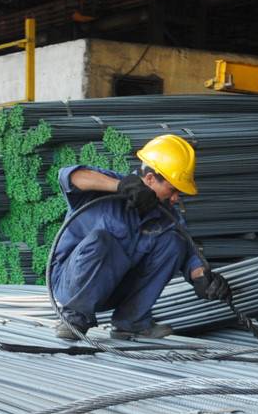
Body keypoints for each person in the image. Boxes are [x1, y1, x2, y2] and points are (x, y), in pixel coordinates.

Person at [50, 133, 231, 340]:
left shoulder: (166, 216)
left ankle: (131, 321)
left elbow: (190, 256)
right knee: (102, 240)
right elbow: (68, 177)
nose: (175, 198)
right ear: (151, 178)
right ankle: (74, 317)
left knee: (174, 242)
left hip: (114, 289)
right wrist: (120, 186)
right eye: (172, 190)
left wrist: (204, 280)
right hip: (70, 284)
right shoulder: (105, 188)